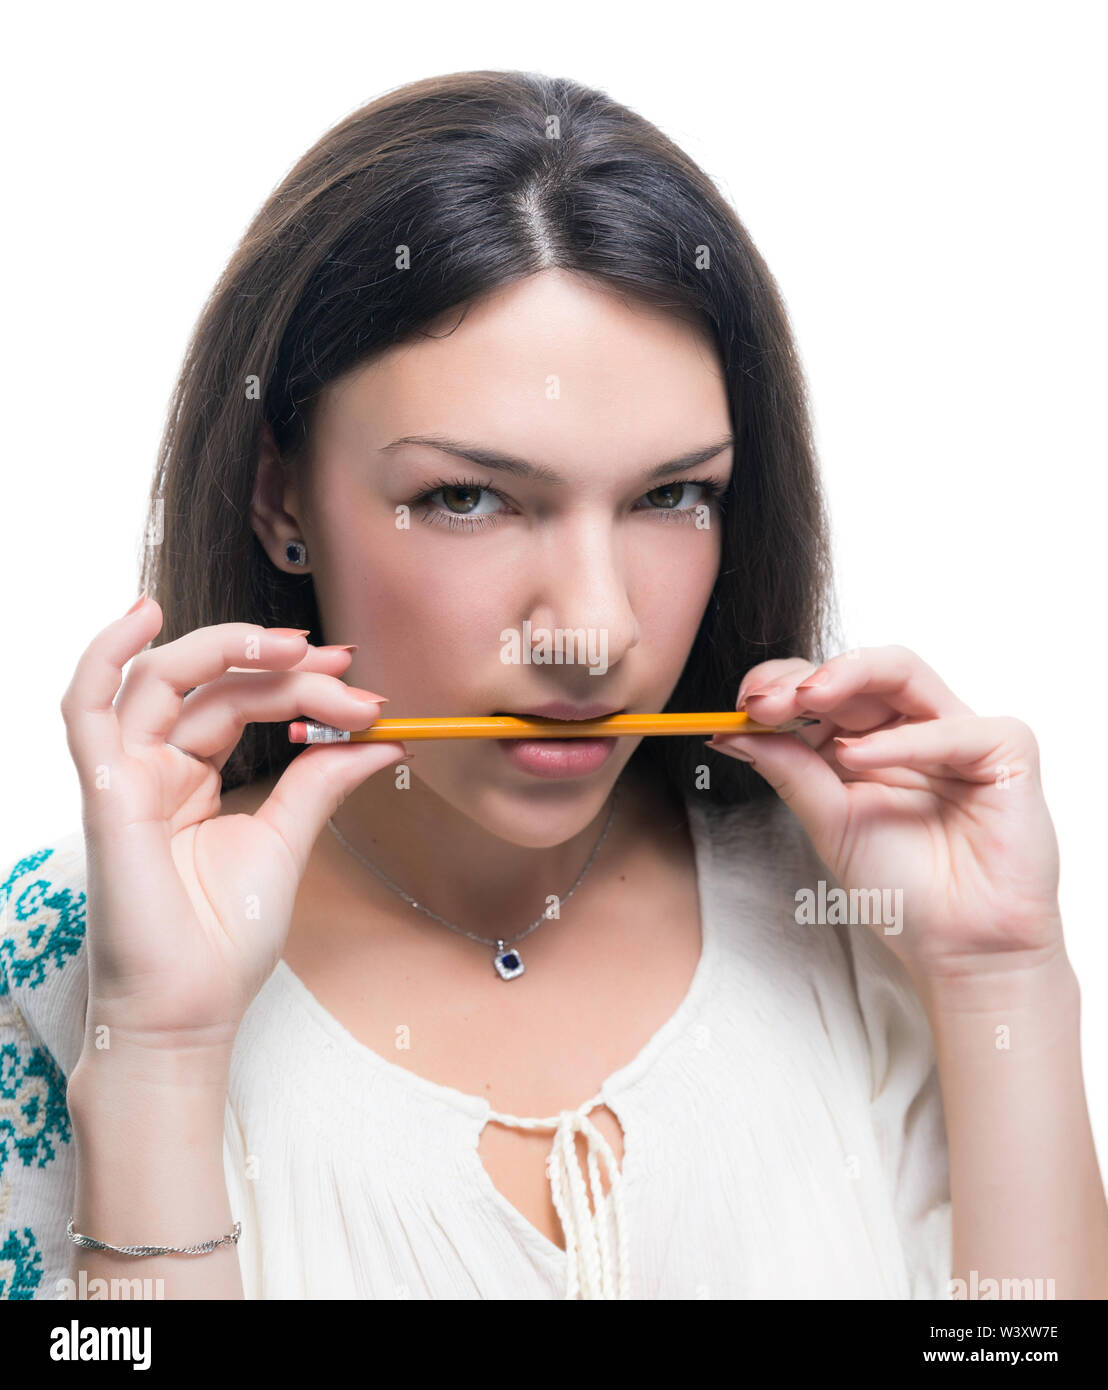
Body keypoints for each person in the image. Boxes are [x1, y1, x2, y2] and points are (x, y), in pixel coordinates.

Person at [2, 69, 1104, 1302]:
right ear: (281, 497)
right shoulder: (68, 950)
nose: (592, 628)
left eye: (670, 494)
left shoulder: (861, 910)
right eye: (468, 497)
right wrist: (158, 1052)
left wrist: (1003, 979)